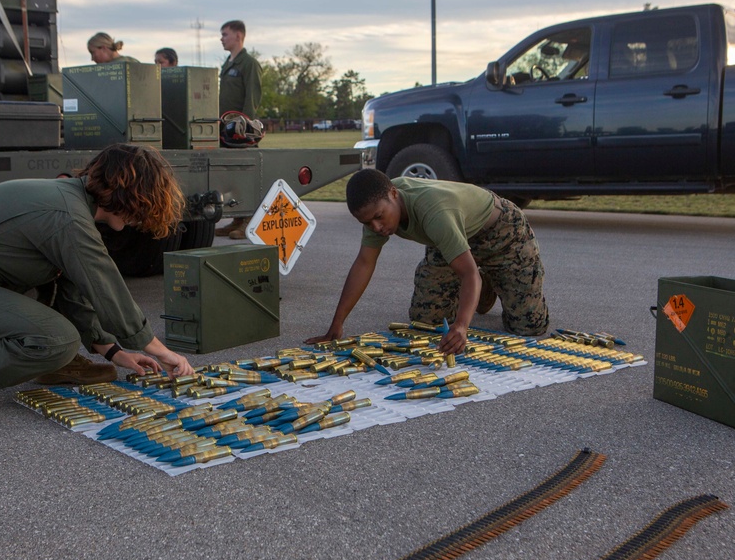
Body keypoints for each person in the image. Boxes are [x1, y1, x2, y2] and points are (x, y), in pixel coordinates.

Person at [0, 144, 195, 418]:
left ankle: (54, 363)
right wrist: (158, 349)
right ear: (127, 194)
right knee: (57, 339)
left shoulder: (70, 202)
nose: (140, 219)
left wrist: (113, 352)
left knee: (56, 330)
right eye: (143, 205)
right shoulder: (67, 217)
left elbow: (73, 288)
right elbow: (106, 288)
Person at [305, 169, 550, 355]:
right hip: (450, 240)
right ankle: (483, 280)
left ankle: (490, 276)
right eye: (367, 223)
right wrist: (336, 326)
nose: (376, 227)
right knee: (425, 322)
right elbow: (363, 264)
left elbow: (468, 275)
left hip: (500, 233)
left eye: (379, 217)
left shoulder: (434, 212)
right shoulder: (376, 210)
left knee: (528, 326)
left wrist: (462, 326)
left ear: (394, 194)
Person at [215, 19, 262, 240]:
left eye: (225, 34)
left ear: (238, 35)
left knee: (245, 175)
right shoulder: (228, 64)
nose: (222, 38)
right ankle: (237, 218)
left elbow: (252, 99)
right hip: (225, 129)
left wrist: (246, 129)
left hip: (240, 130)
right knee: (231, 175)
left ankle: (249, 221)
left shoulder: (248, 63)